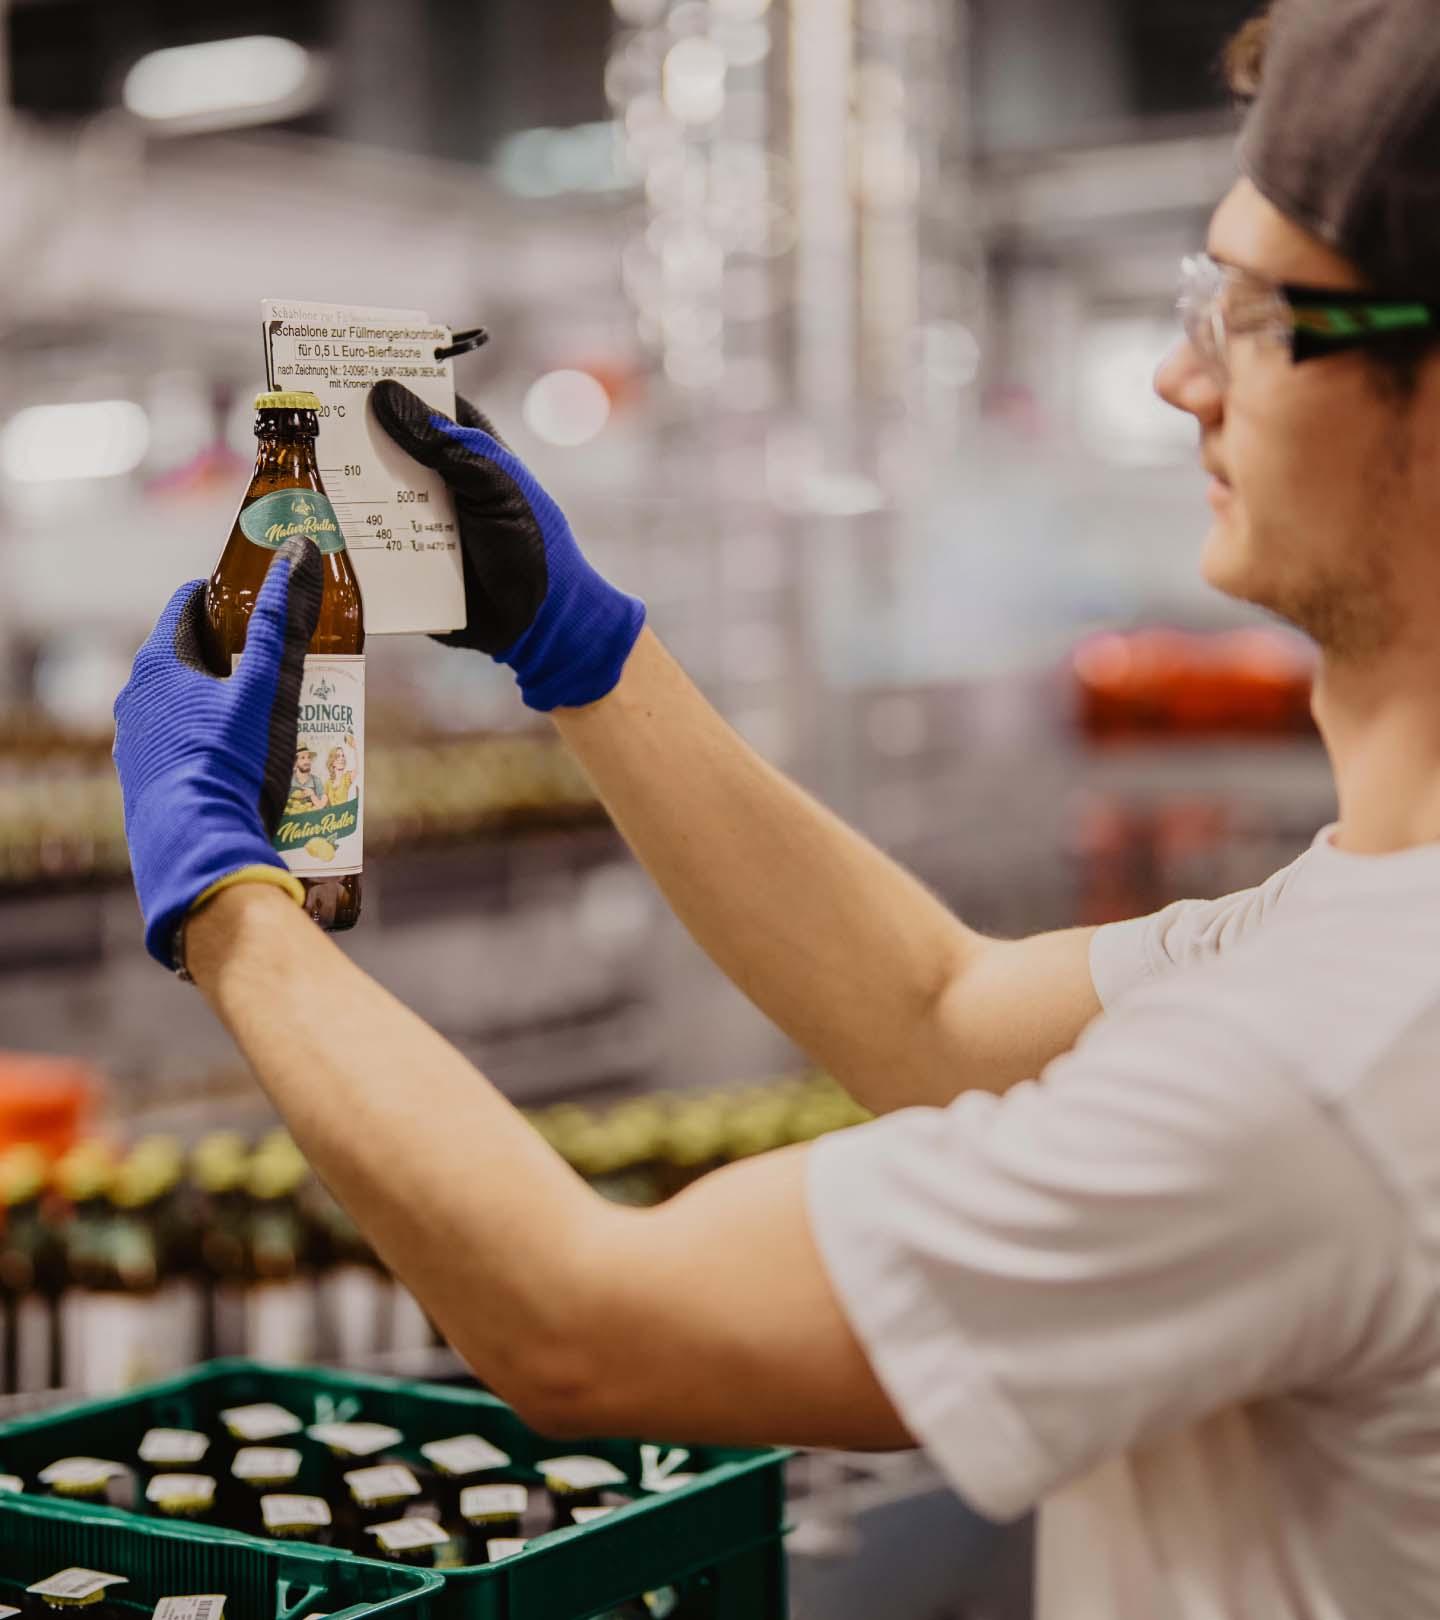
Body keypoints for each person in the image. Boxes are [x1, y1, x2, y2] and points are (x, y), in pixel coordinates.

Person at [110, 3, 1440, 1615]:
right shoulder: (1357, 929)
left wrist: (223, 890)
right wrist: (583, 653)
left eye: (1249, 311)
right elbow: (934, 1013)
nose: (1179, 377)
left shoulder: (1337, 1064)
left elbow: (584, 1320)